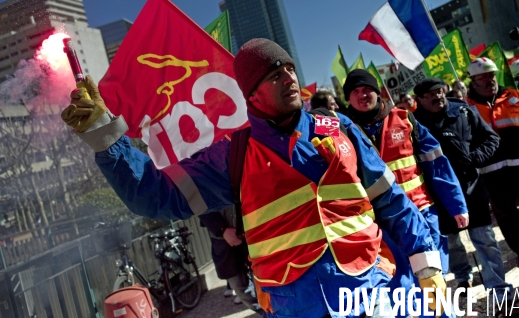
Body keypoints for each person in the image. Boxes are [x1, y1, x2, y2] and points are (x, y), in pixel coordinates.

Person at [61, 38, 446, 318]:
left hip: (374, 292)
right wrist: (105, 135)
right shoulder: (233, 154)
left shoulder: (339, 127)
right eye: (274, 75)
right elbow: (152, 195)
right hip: (296, 308)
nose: (289, 78)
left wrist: (428, 270)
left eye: (290, 69)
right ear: (252, 94)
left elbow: (393, 203)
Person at [342, 69, 468, 278]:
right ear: (348, 98)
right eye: (355, 91)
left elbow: (436, 164)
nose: (362, 95)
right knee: (400, 284)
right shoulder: (343, 133)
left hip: (422, 213)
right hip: (381, 222)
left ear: (377, 91)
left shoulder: (404, 119)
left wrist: (457, 205)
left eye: (367, 89)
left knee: (434, 276)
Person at [413, 77, 514, 304]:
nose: (438, 97)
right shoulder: (413, 123)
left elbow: (490, 138)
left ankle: (499, 289)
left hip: (471, 189)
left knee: (484, 239)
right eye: (430, 95)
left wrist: (475, 158)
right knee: (452, 243)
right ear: (418, 99)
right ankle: (463, 277)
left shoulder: (463, 112)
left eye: (440, 91)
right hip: (438, 196)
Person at [466, 57, 519, 266]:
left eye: (492, 75)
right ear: (473, 81)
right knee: (506, 215)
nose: (490, 80)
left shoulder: (518, 96)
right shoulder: (465, 108)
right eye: (484, 77)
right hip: (491, 171)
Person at [199, 206, 260, 310]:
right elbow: (198, 206)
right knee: (242, 290)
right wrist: (222, 229)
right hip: (223, 241)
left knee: (268, 285)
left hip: (255, 232)